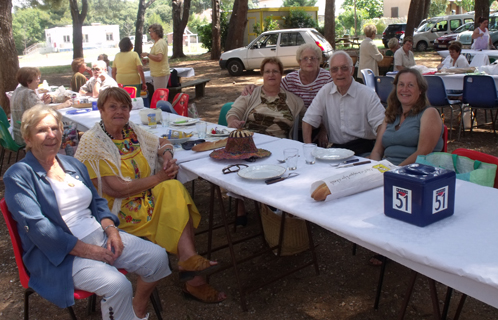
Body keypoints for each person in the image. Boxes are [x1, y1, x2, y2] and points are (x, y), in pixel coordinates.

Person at [3, 105, 171, 320]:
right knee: (117, 284)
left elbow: (98, 202)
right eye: (41, 130)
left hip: (99, 237)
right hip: (59, 255)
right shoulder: (19, 175)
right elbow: (39, 228)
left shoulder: (72, 164)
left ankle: (135, 310)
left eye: (55, 128)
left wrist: (112, 230)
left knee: (157, 258)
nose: (51, 135)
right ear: (27, 138)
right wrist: (90, 251)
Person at [75, 87, 226, 303]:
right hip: (117, 211)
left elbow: (162, 141)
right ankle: (192, 276)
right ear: (101, 110)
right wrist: (159, 178)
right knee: (174, 205)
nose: (119, 111)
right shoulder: (93, 141)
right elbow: (115, 189)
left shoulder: (131, 131)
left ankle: (188, 260)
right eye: (112, 107)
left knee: (173, 190)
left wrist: (166, 155)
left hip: (144, 198)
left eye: (124, 107)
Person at [302, 51, 385, 154]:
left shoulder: (367, 94)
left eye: (344, 68)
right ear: (330, 73)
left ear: (352, 70)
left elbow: (383, 125)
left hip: (363, 149)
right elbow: (307, 121)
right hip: (336, 151)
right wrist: (309, 150)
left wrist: (376, 154)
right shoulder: (325, 91)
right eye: (334, 69)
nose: (339, 73)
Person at [369, 68, 444, 166]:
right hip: (386, 170)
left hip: (415, 172)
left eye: (410, 85)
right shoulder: (391, 114)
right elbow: (377, 152)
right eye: (401, 84)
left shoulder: (429, 113)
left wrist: (394, 172)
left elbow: (423, 153)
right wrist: (374, 170)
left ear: (420, 89)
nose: (405, 89)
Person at [227, 57, 304, 139]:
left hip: (279, 144)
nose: (271, 75)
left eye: (275, 71)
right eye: (267, 71)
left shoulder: (295, 101)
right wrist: (233, 121)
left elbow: (309, 120)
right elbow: (234, 112)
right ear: (262, 74)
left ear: (281, 74)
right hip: (250, 142)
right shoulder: (251, 93)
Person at [11, 67, 72, 145]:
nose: (39, 81)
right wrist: (63, 105)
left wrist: (43, 102)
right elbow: (44, 110)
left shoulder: (18, 90)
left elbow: (34, 108)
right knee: (58, 128)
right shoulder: (28, 93)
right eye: (37, 79)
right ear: (28, 82)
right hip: (26, 135)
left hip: (18, 133)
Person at [141, 24, 170, 91]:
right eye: (149, 32)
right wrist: (148, 60)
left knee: (160, 94)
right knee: (159, 94)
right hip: (158, 73)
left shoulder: (159, 43)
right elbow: (157, 57)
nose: (150, 33)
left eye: (152, 31)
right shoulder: (157, 43)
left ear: (157, 32)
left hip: (160, 73)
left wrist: (147, 54)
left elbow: (159, 58)